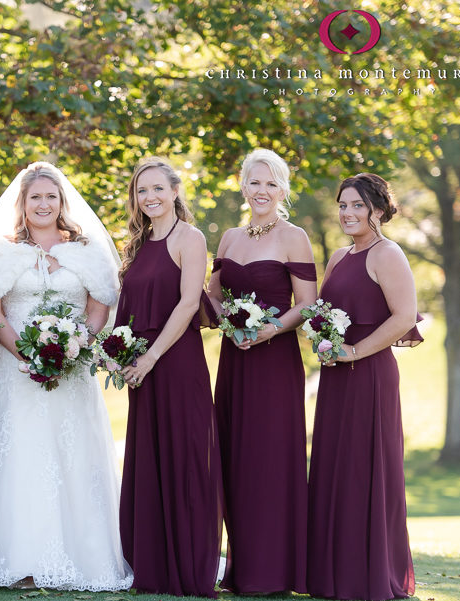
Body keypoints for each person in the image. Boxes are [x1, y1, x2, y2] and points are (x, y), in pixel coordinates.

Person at [0, 162, 133, 591]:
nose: (43, 204)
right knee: (21, 453)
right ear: (21, 203)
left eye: (50, 197)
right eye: (35, 197)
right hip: (15, 371)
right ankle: (19, 560)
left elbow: (100, 305)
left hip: (72, 373)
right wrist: (30, 353)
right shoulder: (2, 250)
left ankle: (86, 557)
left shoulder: (86, 248)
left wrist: (72, 347)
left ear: (62, 203)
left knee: (73, 454)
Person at [206, 148, 316, 595]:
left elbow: (308, 304)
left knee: (270, 459)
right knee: (234, 457)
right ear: (243, 186)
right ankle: (241, 567)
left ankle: (276, 571)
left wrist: (269, 329)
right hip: (235, 359)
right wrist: (228, 322)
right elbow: (211, 295)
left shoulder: (295, 237)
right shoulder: (230, 238)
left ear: (283, 189)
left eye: (271, 183)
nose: (262, 191)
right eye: (254, 182)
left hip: (274, 361)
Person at [307, 173, 421, 600]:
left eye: (357, 205)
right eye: (342, 205)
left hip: (370, 376)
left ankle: (370, 574)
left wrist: (354, 353)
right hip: (336, 377)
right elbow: (324, 311)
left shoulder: (387, 254)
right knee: (335, 468)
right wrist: (325, 342)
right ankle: (333, 574)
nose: (347, 213)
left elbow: (404, 317)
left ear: (377, 209)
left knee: (365, 468)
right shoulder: (339, 256)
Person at [116, 157, 223, 597]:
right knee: (151, 460)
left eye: (158, 188)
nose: (151, 197)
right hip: (142, 368)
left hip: (175, 363)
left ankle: (190, 569)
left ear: (176, 191)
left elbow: (186, 305)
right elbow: (127, 308)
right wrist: (119, 355)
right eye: (142, 191)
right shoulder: (137, 245)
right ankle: (153, 567)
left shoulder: (190, 238)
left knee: (185, 459)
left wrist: (151, 356)